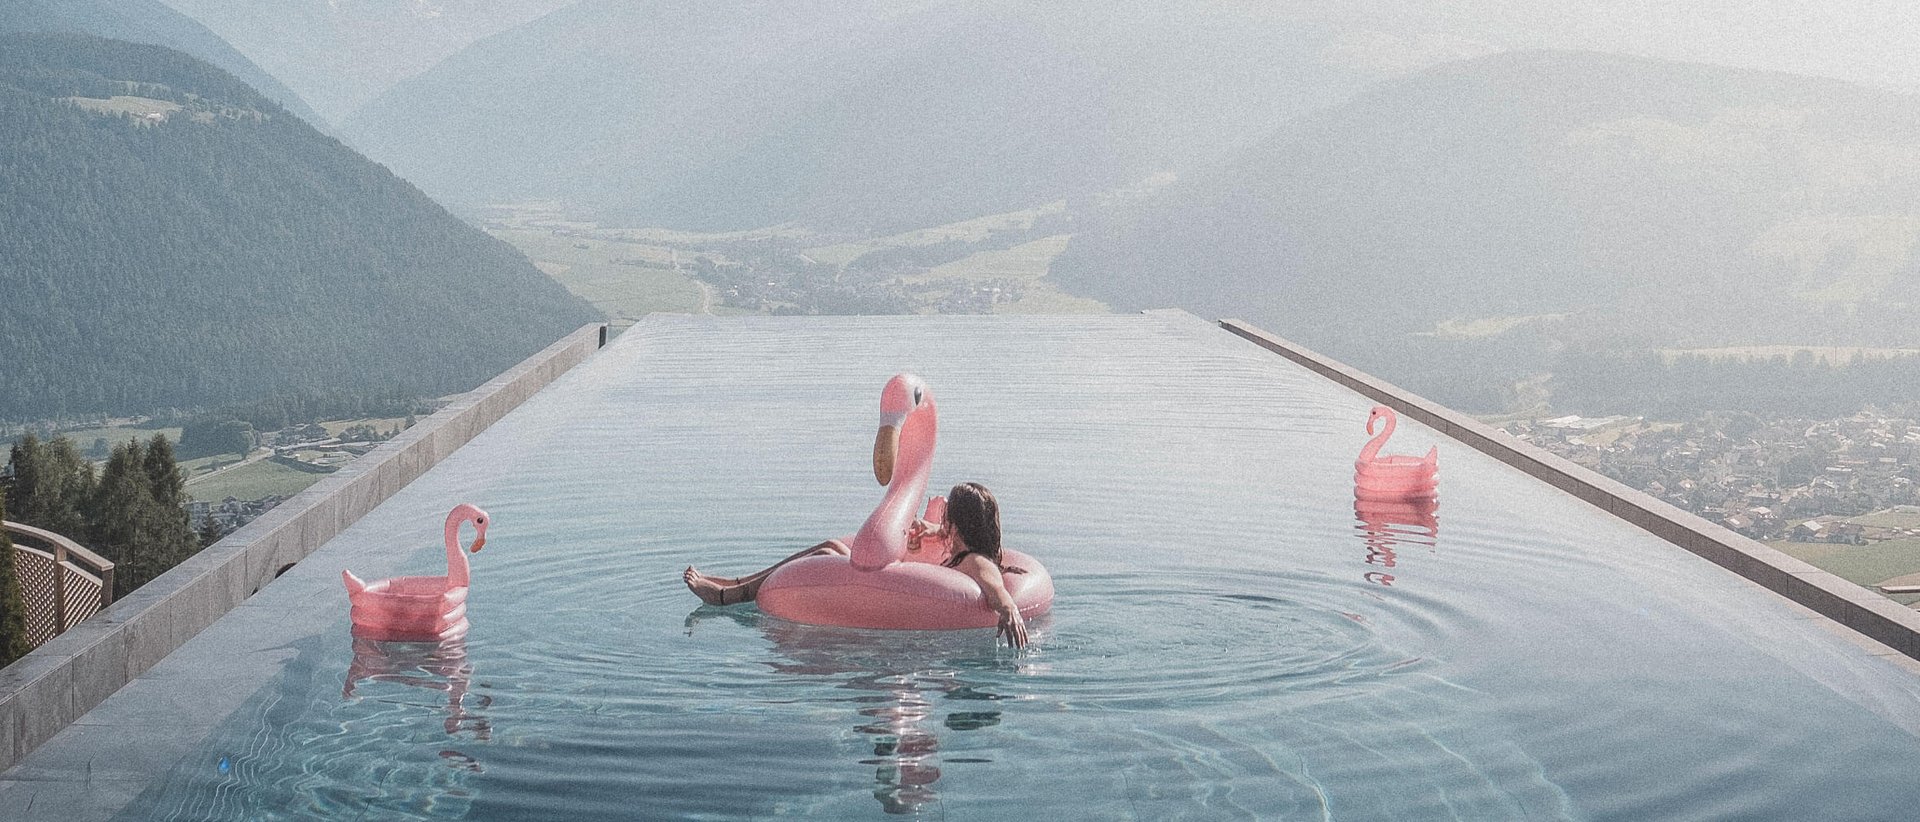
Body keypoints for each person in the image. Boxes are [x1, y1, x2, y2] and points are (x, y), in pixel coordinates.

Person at [682, 482, 1029, 647]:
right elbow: (952, 541)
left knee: (829, 550)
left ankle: (731, 595)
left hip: (902, 622)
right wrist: (934, 529)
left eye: (947, 516)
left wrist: (1009, 609)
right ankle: (734, 587)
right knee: (831, 548)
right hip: (908, 619)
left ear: (958, 523)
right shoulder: (967, 550)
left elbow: (995, 588)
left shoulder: (977, 563)